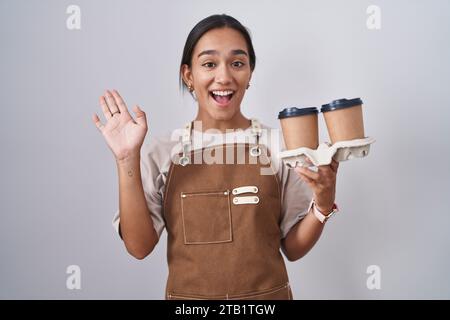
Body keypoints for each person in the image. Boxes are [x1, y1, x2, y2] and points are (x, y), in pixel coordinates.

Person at [92, 14, 339, 300]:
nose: (224, 77)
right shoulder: (163, 151)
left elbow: (293, 248)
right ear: (188, 76)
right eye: (209, 64)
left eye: (237, 63)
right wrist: (126, 160)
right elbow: (139, 247)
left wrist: (322, 205)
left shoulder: (278, 145)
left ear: (250, 74)